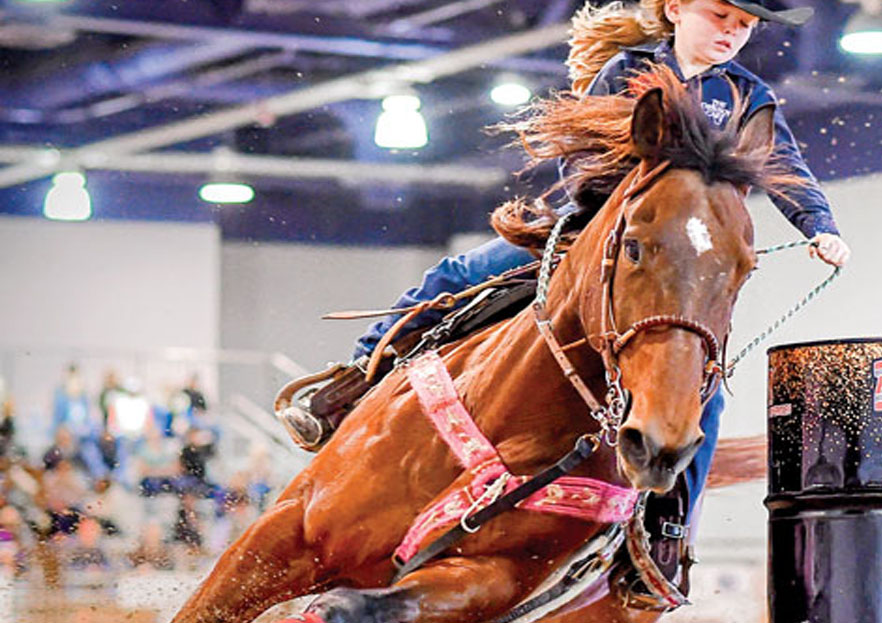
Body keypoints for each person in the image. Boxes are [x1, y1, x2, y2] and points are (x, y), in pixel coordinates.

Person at [280, 0, 850, 545]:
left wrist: (819, 225)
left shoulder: (747, 94)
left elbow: (786, 168)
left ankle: (669, 528)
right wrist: (620, 203)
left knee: (705, 391)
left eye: (745, 25)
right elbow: (577, 155)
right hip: (591, 229)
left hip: (674, 262)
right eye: (720, 16)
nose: (732, 31)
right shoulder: (628, 69)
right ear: (676, 10)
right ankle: (353, 380)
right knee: (460, 274)